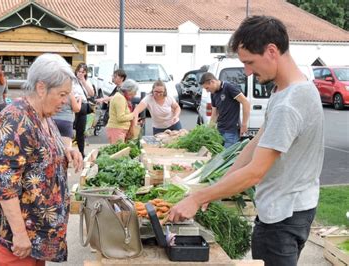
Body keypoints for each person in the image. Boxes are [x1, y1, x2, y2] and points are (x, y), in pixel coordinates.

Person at [168, 16, 324, 266]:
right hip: (296, 207)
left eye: (249, 62)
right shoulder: (291, 89)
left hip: (280, 218)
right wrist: (219, 184)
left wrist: (197, 198)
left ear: (271, 50)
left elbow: (255, 173)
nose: (248, 72)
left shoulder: (289, 104)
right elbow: (253, 145)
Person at [0, 53, 83, 265]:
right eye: (62, 94)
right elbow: (5, 185)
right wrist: (20, 235)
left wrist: (66, 151)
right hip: (14, 235)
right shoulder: (16, 120)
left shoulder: (42, 115)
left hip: (35, 231)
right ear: (41, 88)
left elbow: (41, 151)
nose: (66, 101)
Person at [199, 72, 250, 148]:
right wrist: (209, 130)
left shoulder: (229, 87)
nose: (207, 91)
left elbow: (245, 103)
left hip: (231, 131)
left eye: (207, 88)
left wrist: (244, 124)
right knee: (218, 156)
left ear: (212, 82)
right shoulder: (213, 93)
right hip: (220, 130)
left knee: (226, 157)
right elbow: (215, 113)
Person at [105, 79, 139, 144]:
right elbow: (120, 117)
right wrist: (133, 115)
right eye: (134, 92)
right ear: (128, 90)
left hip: (119, 129)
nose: (134, 95)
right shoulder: (119, 98)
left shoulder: (121, 97)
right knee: (119, 152)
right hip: (116, 129)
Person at [72, 63, 95, 157]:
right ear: (76, 71)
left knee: (80, 131)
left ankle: (81, 152)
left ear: (85, 73)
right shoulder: (72, 80)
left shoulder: (86, 81)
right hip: (73, 105)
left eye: (83, 72)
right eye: (79, 71)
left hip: (83, 106)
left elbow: (91, 93)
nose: (80, 73)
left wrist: (83, 82)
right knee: (70, 130)